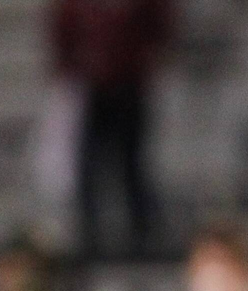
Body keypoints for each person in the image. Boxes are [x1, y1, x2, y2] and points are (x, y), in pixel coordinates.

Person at [51, 0, 173, 257]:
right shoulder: (77, 8)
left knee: (131, 163)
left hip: (129, 87)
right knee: (89, 164)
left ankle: (141, 230)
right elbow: (64, 35)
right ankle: (91, 230)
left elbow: (159, 30)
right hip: (93, 88)